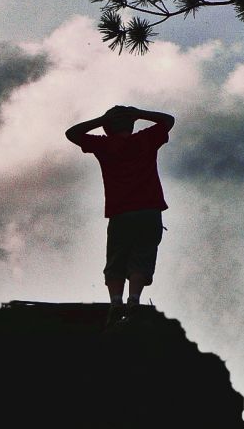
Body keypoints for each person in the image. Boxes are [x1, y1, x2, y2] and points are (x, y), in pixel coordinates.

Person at [65, 105, 175, 327]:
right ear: (132, 125)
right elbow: (168, 120)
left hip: (120, 213)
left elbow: (72, 134)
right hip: (149, 210)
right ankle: (133, 300)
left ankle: (116, 302)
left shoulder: (104, 145)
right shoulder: (145, 139)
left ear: (107, 129)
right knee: (141, 257)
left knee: (116, 259)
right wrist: (140, 113)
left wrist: (101, 119)